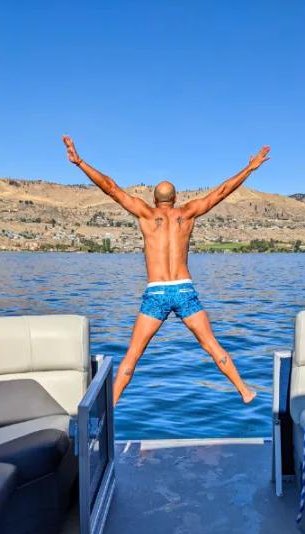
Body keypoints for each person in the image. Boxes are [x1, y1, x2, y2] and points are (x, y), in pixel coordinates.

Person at [62, 135, 270, 406]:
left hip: (156, 291)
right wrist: (250, 168)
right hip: (184, 288)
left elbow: (110, 188)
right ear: (177, 198)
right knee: (211, 345)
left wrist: (79, 162)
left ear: (153, 198)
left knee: (133, 354)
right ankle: (244, 390)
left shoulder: (146, 214)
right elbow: (221, 192)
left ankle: (109, 406)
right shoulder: (189, 212)